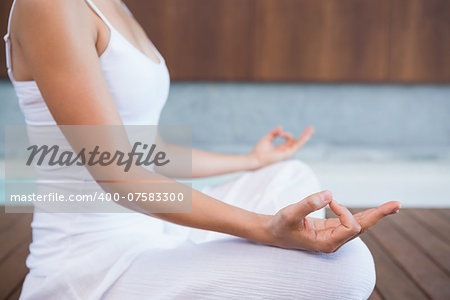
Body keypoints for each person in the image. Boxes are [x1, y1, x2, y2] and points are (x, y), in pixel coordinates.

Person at [4, 0, 400, 299]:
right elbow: (120, 174)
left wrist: (251, 161)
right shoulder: (50, 7)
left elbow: (149, 149)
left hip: (154, 225)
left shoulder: (112, 5)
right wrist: (265, 229)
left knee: (286, 173)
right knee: (347, 272)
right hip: (96, 265)